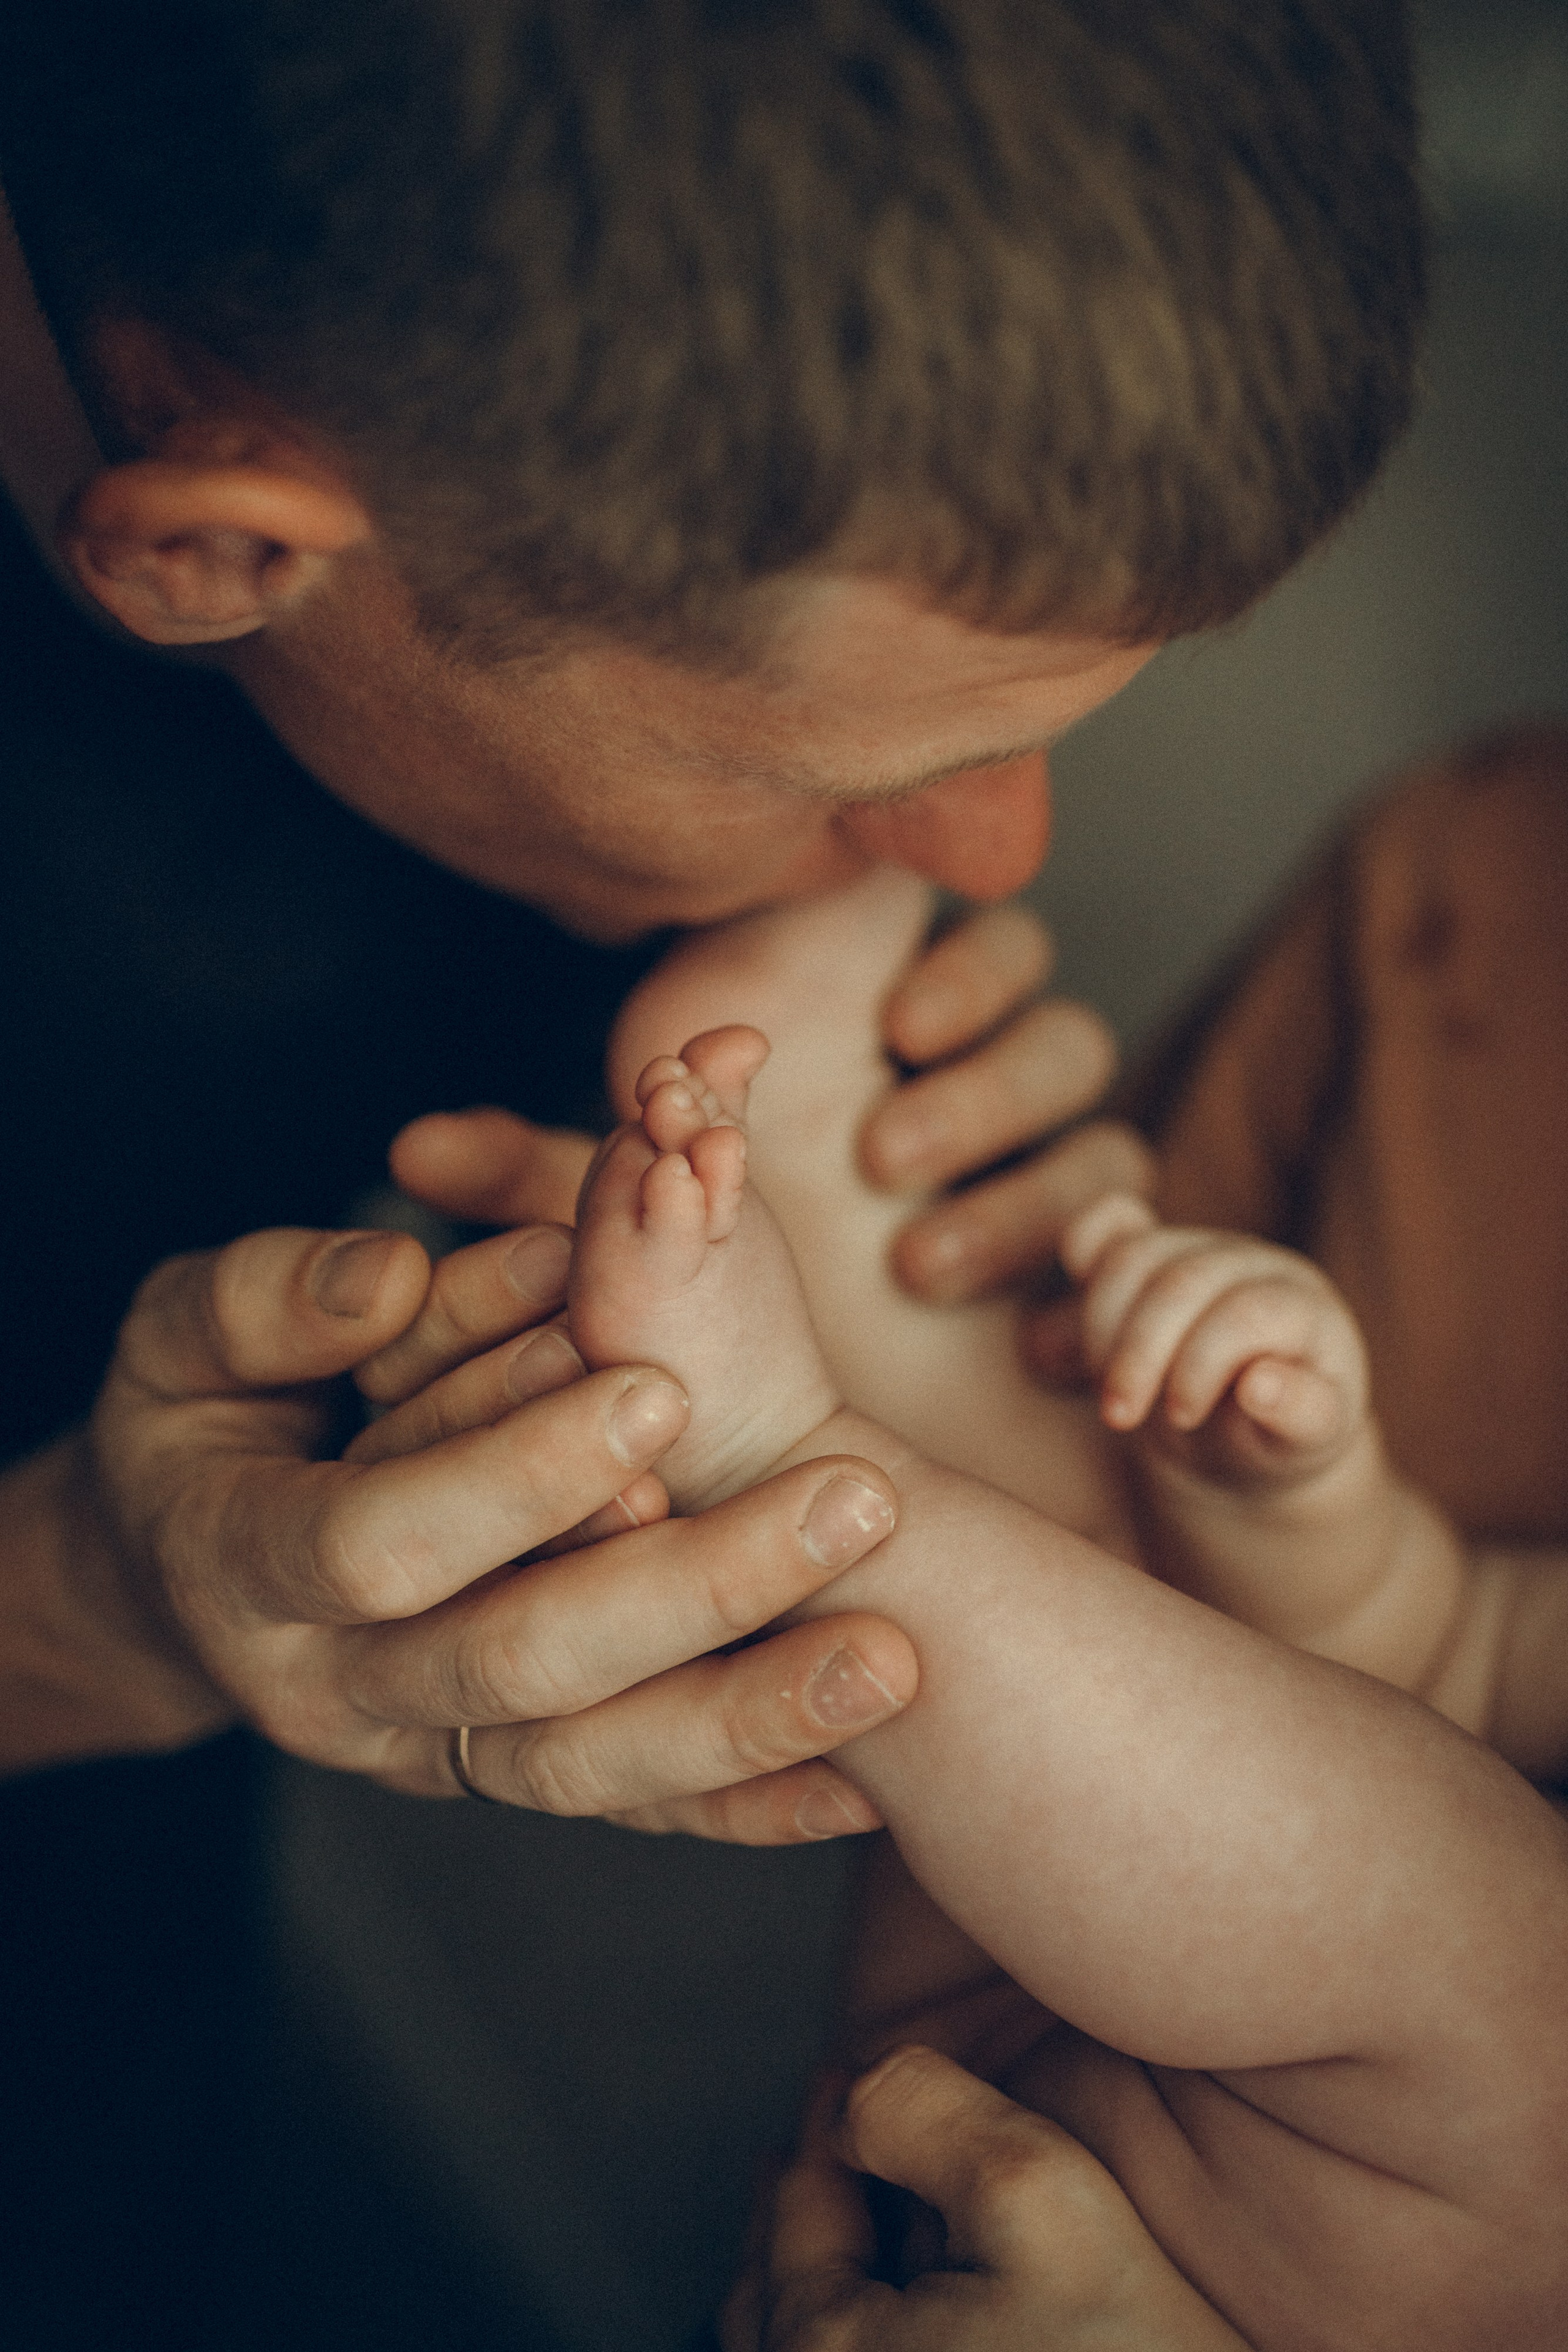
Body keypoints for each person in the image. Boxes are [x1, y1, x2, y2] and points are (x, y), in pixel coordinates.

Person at [0, 1, 1442, 2339]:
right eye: (845, 777)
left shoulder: (648, 527)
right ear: (223, 553)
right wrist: (80, 1607)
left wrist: (890, 1219)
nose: (1006, 852)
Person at [417, 878, 1567, 2346]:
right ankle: (835, 1283)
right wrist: (1297, 1522)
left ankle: (787, 1462)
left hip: (1262, 2214)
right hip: (1101, 2017)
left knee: (1523, 2014)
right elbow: (1466, 1653)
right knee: (1159, 1608)